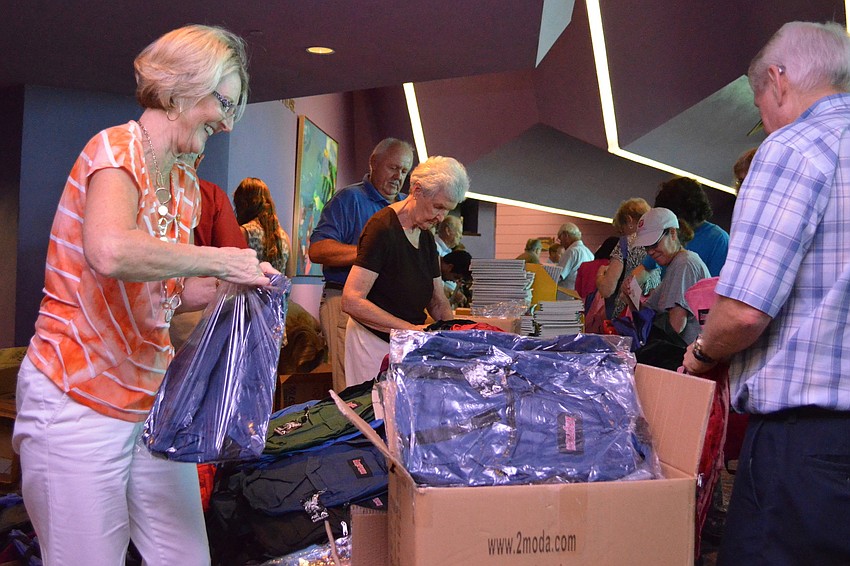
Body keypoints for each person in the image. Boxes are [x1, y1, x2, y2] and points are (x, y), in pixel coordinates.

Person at [12, 25, 275, 566]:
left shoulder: (181, 185)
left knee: (184, 555)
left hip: (151, 404)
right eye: (225, 103)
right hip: (76, 401)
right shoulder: (116, 147)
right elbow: (109, 250)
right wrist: (218, 258)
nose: (227, 122)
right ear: (181, 85)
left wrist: (229, 285)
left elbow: (167, 301)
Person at [682, 21, 850, 565]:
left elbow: (745, 313)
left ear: (778, 80)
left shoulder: (794, 148)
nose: (766, 123)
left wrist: (704, 354)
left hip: (811, 448)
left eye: (760, 111)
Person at [342, 156, 469, 386]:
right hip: (372, 343)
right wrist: (410, 330)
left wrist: (452, 336)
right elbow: (352, 300)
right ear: (417, 190)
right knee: (375, 417)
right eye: (438, 206)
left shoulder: (427, 238)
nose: (441, 217)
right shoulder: (382, 229)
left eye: (447, 210)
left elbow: (438, 300)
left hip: (406, 342)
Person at [308, 138, 414, 392]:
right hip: (345, 303)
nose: (398, 176)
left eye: (404, 171)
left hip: (385, 310)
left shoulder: (405, 207)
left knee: (385, 391)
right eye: (393, 167)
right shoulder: (349, 199)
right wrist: (371, 253)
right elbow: (317, 250)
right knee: (353, 390)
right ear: (374, 163)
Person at [170, 153, 248, 351]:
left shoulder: (138, 192)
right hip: (191, 317)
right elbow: (236, 262)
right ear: (198, 159)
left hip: (142, 315)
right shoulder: (210, 195)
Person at [633, 208, 709, 346]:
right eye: (646, 247)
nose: (650, 251)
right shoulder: (675, 265)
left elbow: (676, 326)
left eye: (654, 244)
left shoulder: (684, 264)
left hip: (682, 355)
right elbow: (647, 312)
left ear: (673, 233)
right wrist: (630, 295)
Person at [639, 177, 729, 278]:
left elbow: (713, 286)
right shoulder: (669, 233)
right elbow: (647, 266)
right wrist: (632, 282)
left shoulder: (719, 240)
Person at [596, 198, 659, 318]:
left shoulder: (625, 242)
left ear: (629, 220)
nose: (622, 234)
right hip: (654, 311)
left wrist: (600, 275)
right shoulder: (660, 241)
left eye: (621, 229)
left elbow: (607, 289)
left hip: (628, 313)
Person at [233, 177, 292, 274]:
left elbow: (231, 273)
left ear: (242, 204)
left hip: (248, 289)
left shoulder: (244, 232)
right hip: (277, 289)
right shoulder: (285, 238)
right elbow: (288, 280)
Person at [574, 235, 619, 301]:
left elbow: (577, 292)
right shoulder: (614, 267)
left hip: (585, 306)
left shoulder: (584, 266)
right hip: (606, 307)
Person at [555, 222, 594, 290]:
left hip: (566, 295)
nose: (560, 242)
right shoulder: (589, 253)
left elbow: (558, 276)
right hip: (581, 294)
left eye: (559, 237)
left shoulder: (571, 252)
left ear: (566, 235)